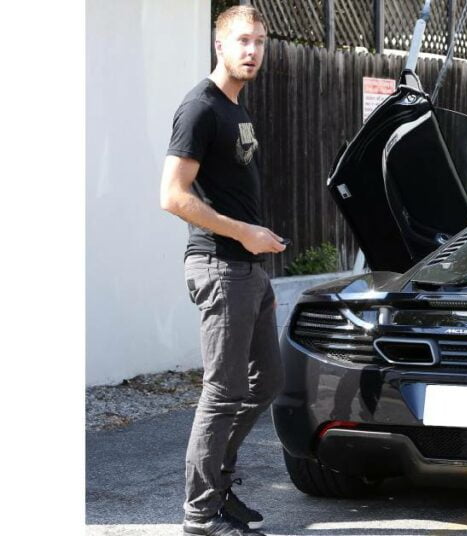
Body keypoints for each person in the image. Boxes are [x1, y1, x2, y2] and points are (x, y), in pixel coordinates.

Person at [159, 6, 284, 535]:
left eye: (258, 42)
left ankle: (218, 483)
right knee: (223, 391)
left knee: (267, 383)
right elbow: (171, 196)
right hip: (219, 265)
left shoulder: (237, 109)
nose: (251, 50)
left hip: (248, 268)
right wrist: (244, 233)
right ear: (220, 46)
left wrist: (257, 240)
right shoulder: (200, 109)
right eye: (242, 41)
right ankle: (199, 512)